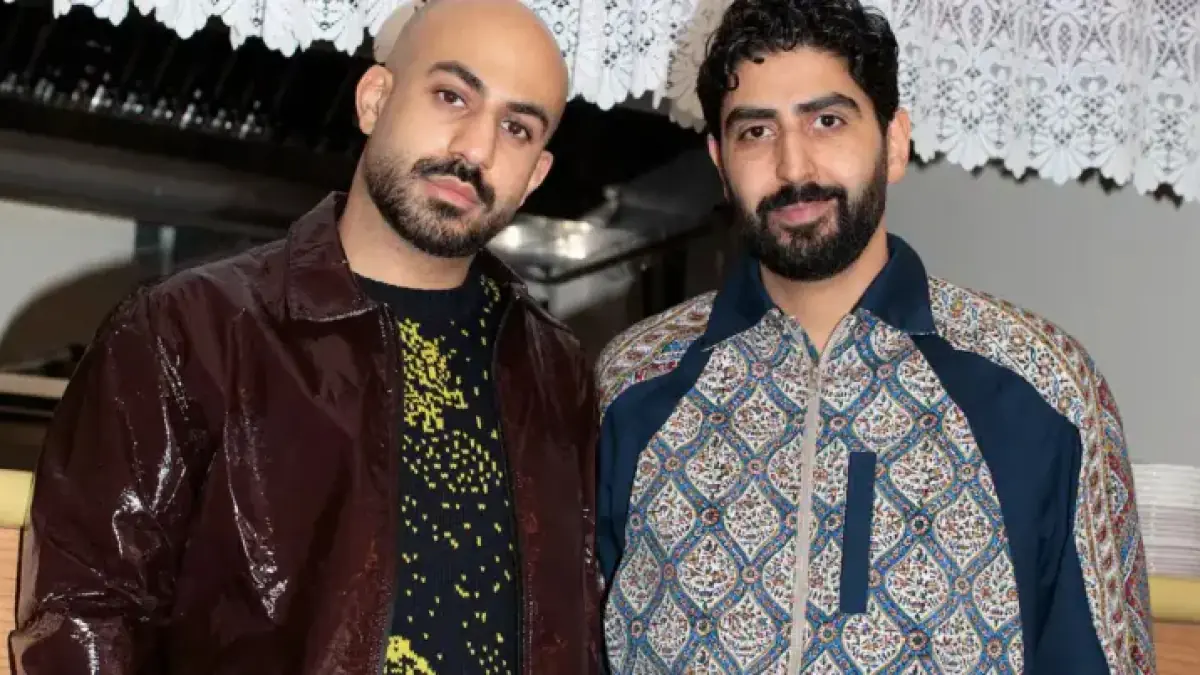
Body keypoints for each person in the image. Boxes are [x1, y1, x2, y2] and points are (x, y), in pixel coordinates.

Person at [10, 1, 601, 673]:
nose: (476, 149)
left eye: (517, 128)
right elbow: (84, 615)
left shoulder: (556, 370)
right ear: (375, 99)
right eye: (451, 96)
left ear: (537, 173)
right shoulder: (188, 332)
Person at [595, 0, 1153, 673]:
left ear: (894, 142)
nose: (793, 166)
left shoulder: (1043, 385)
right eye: (756, 132)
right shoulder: (633, 383)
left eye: (827, 121)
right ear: (720, 160)